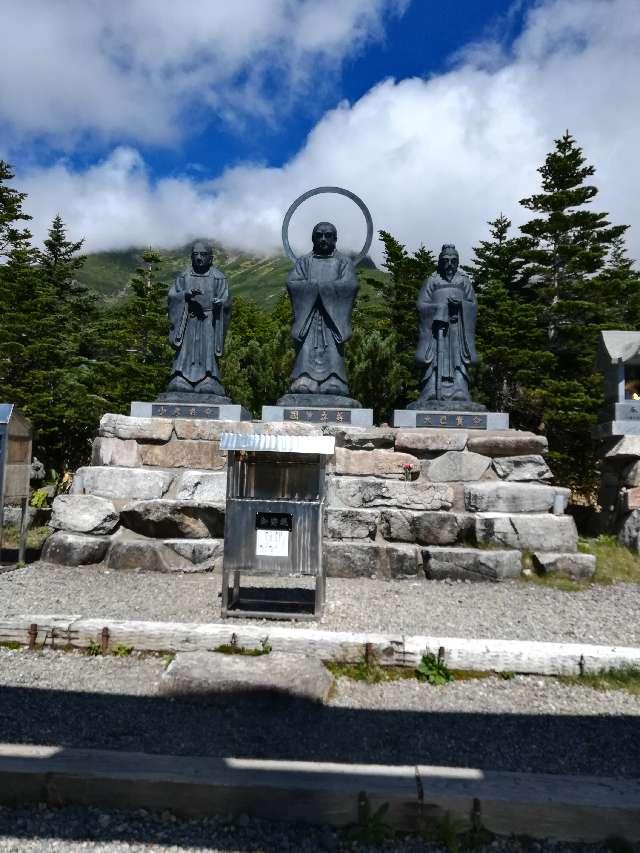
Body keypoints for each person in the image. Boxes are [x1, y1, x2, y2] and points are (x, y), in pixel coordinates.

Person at [286, 222, 357, 397]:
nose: (323, 239)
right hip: (309, 315)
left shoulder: (343, 262)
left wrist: (321, 289)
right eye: (319, 235)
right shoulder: (304, 262)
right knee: (306, 346)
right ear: (313, 239)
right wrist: (314, 290)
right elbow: (292, 283)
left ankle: (334, 379)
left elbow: (350, 285)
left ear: (335, 239)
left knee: (332, 347)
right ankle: (304, 377)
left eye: (328, 235)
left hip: (333, 317)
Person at [166, 240, 231, 396]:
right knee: (185, 350)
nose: (199, 258)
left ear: (211, 258)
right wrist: (185, 295)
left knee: (207, 351)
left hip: (209, 320)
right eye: (195, 254)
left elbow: (226, 301)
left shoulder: (218, 277)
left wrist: (220, 304)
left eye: (203, 254)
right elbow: (172, 297)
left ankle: (209, 378)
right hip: (187, 319)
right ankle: (181, 377)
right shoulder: (184, 276)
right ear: (191, 257)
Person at [414, 244, 477, 403]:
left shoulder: (464, 281)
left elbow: (473, 305)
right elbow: (421, 305)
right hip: (436, 330)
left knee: (458, 360)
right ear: (440, 262)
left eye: (453, 261)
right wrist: (438, 309)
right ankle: (431, 389)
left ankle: (460, 389)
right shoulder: (432, 280)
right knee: (434, 360)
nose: (449, 264)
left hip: (458, 328)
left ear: (458, 262)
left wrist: (461, 304)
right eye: (446, 260)